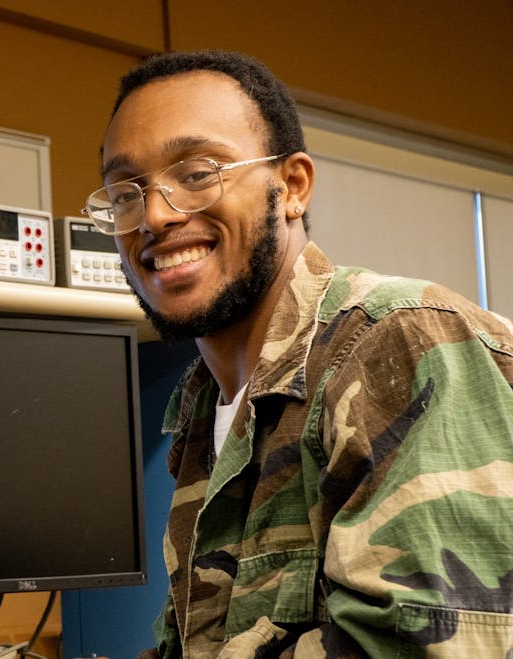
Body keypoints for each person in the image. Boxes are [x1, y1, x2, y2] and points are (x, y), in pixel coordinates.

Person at [83, 50, 513, 657]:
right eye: (126, 191)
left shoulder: (397, 341)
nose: (154, 215)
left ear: (292, 186)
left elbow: (426, 645)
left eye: (199, 173)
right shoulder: (201, 403)